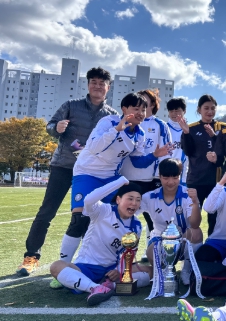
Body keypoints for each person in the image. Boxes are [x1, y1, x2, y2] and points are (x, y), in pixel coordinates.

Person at [50, 93, 170, 289]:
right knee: (79, 219)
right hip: (87, 172)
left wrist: (155, 155)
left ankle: (111, 269)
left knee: (111, 220)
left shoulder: (140, 133)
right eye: (136, 109)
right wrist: (117, 129)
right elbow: (94, 147)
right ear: (124, 109)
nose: (140, 113)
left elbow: (137, 161)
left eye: (143, 109)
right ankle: (65, 266)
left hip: (110, 177)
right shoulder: (109, 122)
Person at [17, 67, 117, 276]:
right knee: (47, 212)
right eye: (94, 82)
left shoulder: (112, 116)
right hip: (64, 166)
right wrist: (56, 128)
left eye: (102, 83)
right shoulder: (71, 105)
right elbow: (50, 126)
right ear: (88, 84)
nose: (98, 86)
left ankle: (87, 260)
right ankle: (31, 257)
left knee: (91, 217)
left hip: (91, 173)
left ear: (108, 88)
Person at [49, 177, 151, 306]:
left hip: (111, 270)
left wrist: (119, 271)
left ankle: (108, 285)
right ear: (118, 199)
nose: (134, 203)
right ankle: (95, 288)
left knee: (150, 271)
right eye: (130, 198)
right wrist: (119, 182)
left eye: (138, 200)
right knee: (56, 266)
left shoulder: (136, 225)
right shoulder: (103, 210)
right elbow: (89, 200)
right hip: (87, 266)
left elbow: (129, 253)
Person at [121, 88, 172, 258]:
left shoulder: (160, 125)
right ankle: (123, 254)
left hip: (151, 179)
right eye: (137, 103)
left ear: (152, 104)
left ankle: (152, 252)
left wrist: (161, 177)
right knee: (124, 215)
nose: (141, 105)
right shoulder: (126, 121)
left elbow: (167, 153)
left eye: (145, 102)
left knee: (154, 218)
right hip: (127, 178)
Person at [140, 158, 202, 284]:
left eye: (175, 177)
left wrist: (195, 203)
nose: (170, 182)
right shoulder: (149, 197)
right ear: (159, 176)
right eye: (166, 178)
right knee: (151, 251)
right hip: (160, 240)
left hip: (183, 239)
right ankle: (166, 271)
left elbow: (195, 224)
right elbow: (131, 212)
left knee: (196, 232)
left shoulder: (188, 195)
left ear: (180, 176)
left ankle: (186, 270)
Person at [178, 94, 226, 236]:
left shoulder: (223, 127)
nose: (210, 111)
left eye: (213, 108)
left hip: (216, 181)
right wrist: (186, 133)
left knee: (215, 218)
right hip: (196, 180)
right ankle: (190, 245)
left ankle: (211, 245)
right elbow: (188, 152)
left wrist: (214, 137)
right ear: (199, 109)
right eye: (206, 108)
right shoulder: (191, 128)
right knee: (192, 218)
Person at [166, 97, 189, 186]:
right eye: (171, 111)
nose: (174, 113)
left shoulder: (190, 129)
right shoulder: (163, 128)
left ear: (184, 111)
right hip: (166, 172)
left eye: (177, 111)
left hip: (185, 174)